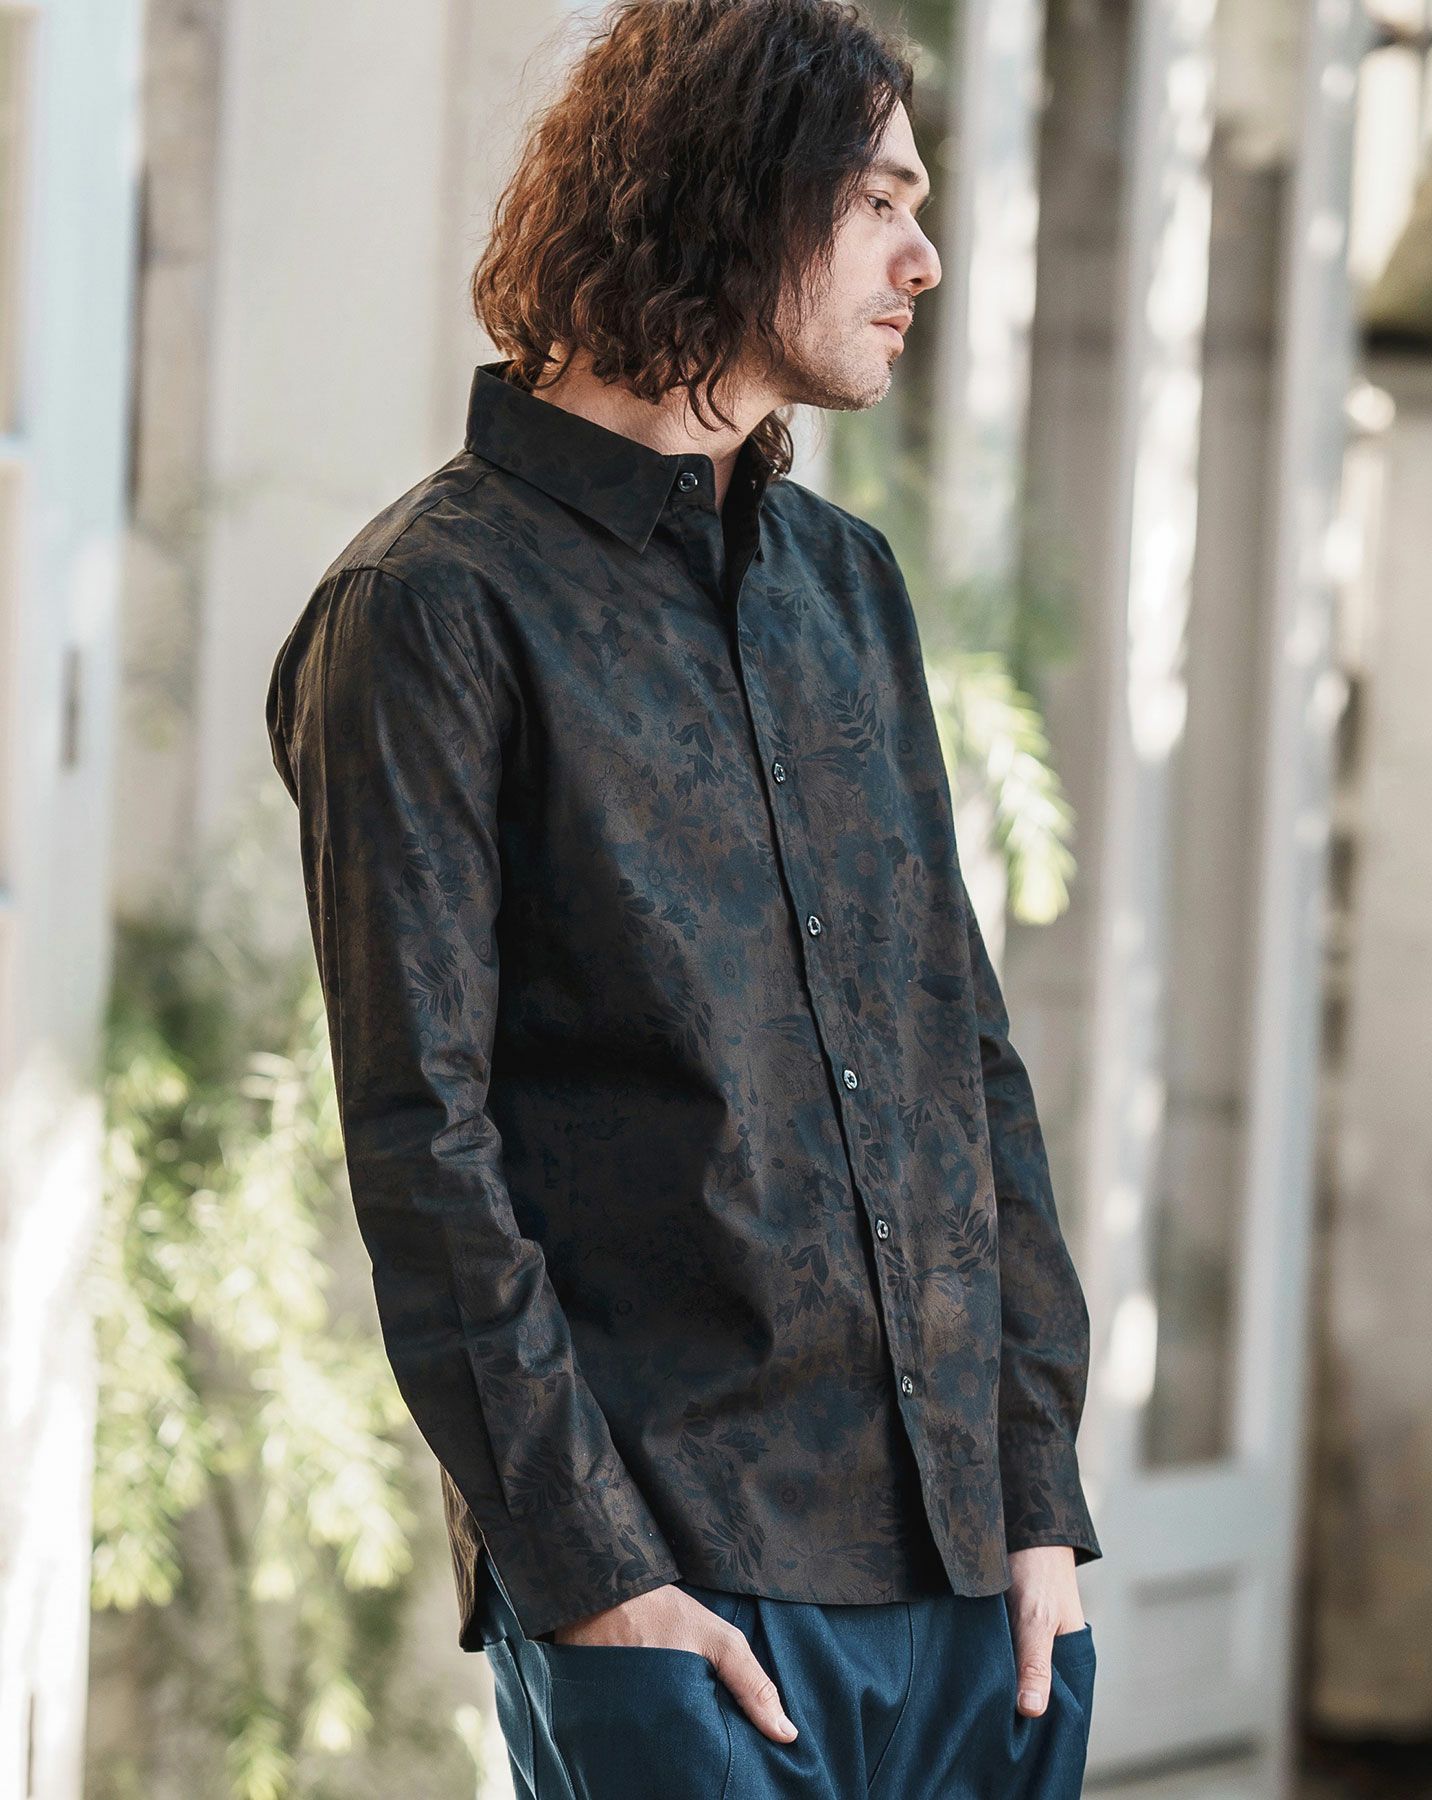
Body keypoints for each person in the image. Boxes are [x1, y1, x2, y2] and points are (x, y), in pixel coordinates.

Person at [265, 1, 1101, 1793]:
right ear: (740, 194)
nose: (923, 259)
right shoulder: (426, 611)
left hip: (981, 1607)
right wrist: (594, 1582)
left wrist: (1039, 1495)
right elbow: (425, 1138)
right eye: (881, 202)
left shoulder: (845, 586)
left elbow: (963, 1057)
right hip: (684, 1606)